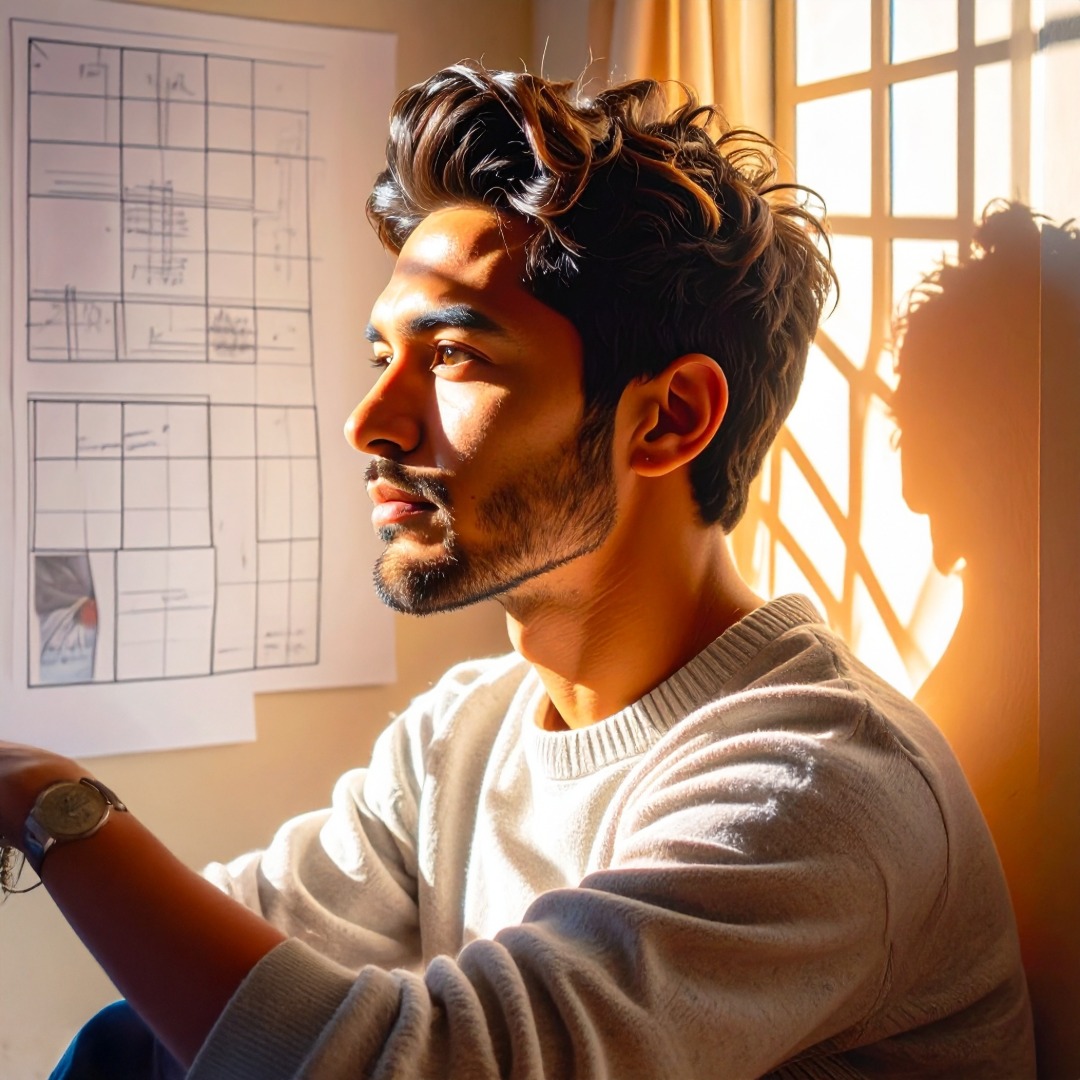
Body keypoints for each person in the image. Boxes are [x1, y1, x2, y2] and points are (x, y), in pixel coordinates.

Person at [0, 63, 1034, 1079]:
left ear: (668, 418)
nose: (372, 420)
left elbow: (434, 1065)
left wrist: (57, 806)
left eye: (453, 355)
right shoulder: (465, 733)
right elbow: (227, 963)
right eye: (382, 358)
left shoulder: (817, 787)